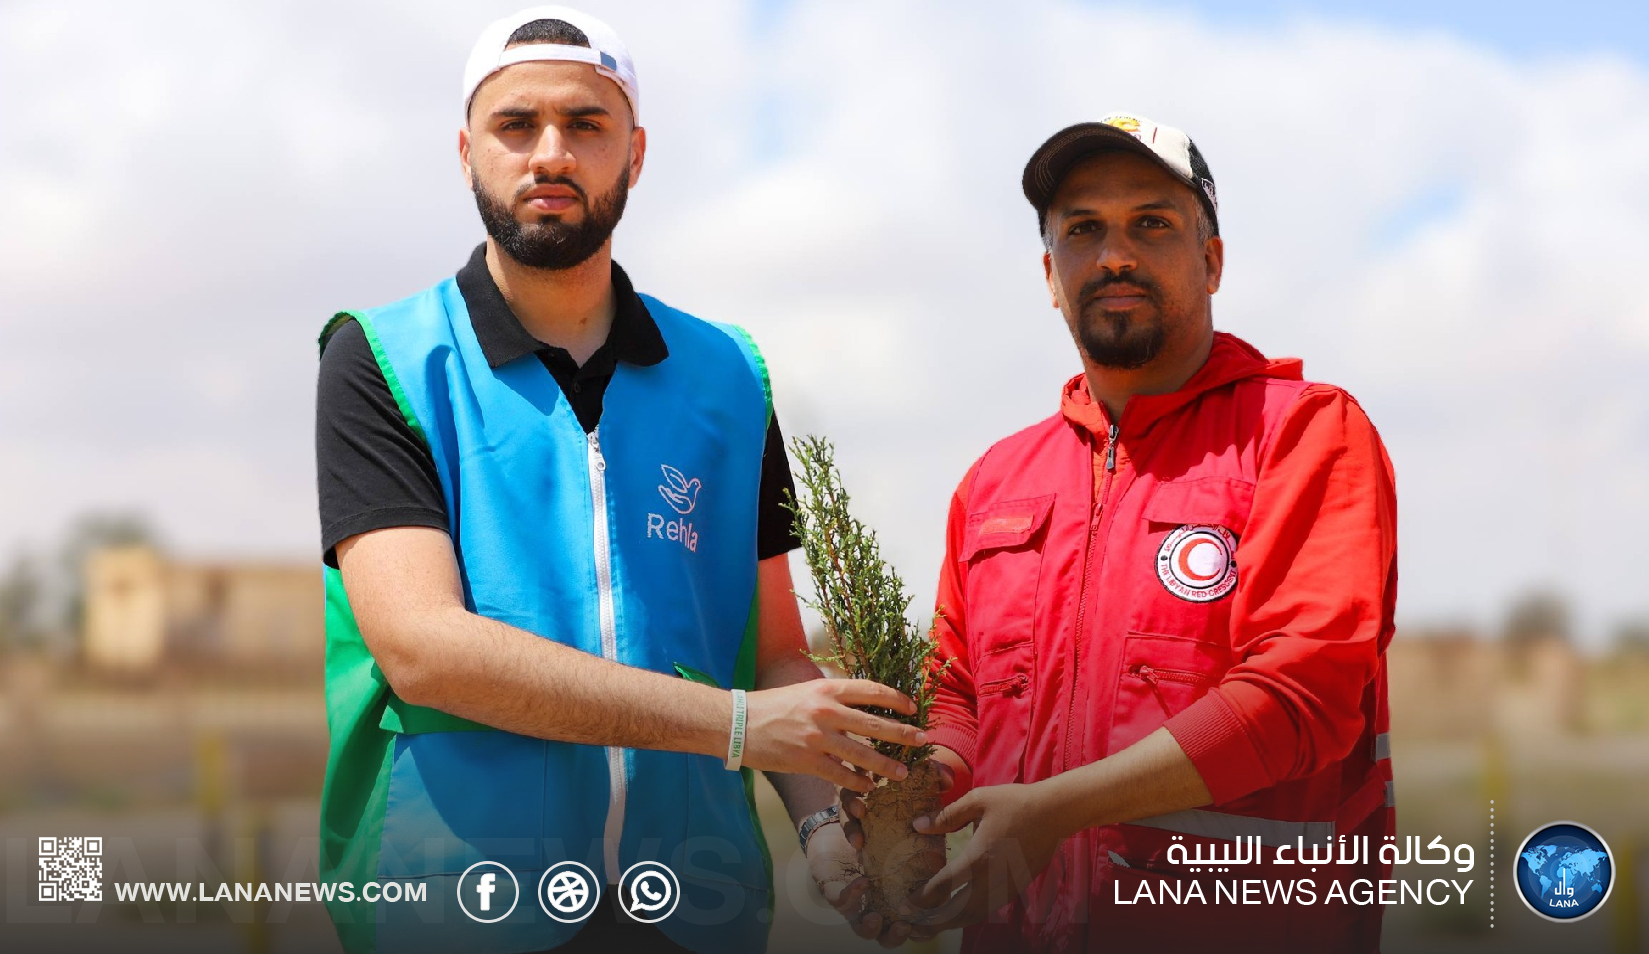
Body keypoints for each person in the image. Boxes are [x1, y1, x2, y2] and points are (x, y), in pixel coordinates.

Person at [313, 8, 923, 954]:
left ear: (634, 154)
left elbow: (773, 655)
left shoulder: (729, 376)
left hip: (688, 905)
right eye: (516, 125)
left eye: (585, 124)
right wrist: (735, 727)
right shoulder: (384, 359)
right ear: (467, 153)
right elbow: (424, 649)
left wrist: (821, 831)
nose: (550, 153)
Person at [840, 113, 1398, 952]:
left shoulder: (1303, 433)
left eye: (1151, 223)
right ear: (1049, 274)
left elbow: (1299, 698)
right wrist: (920, 789)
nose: (1113, 256)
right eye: (1082, 230)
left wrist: (1054, 810)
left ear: (1211, 262)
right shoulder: (996, 480)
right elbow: (960, 697)